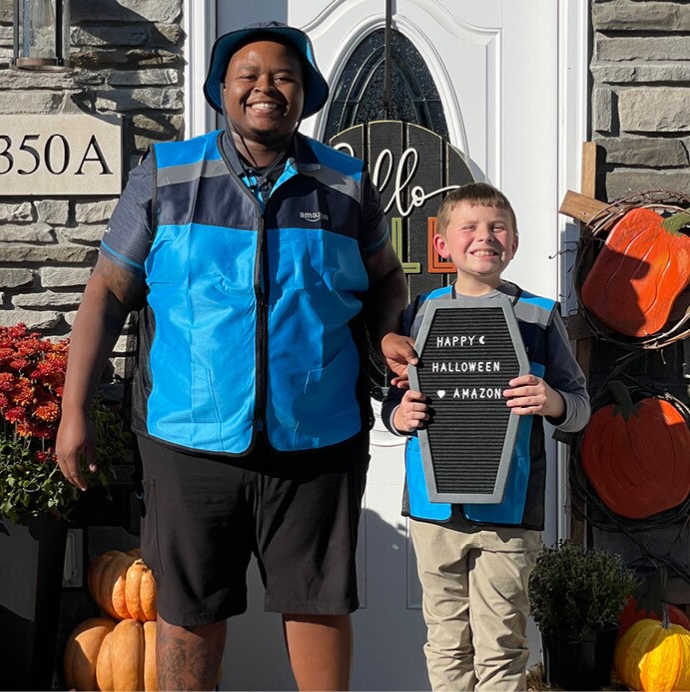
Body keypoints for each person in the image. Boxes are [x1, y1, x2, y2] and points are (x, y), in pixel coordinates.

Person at [56, 21, 411, 691]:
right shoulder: (166, 175)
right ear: (222, 90)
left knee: (319, 601)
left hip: (318, 439)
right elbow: (107, 290)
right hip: (188, 440)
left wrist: (390, 329)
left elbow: (386, 278)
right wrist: (74, 409)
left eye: (283, 76)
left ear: (304, 93)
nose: (265, 88)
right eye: (247, 75)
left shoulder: (345, 184)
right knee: (189, 610)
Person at [381, 183, 590, 691]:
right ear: (443, 245)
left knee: (501, 647)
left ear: (514, 243)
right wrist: (396, 417)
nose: (484, 237)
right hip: (433, 511)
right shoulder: (417, 315)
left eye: (497, 227)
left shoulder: (538, 316)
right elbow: (394, 397)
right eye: (469, 227)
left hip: (510, 516)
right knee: (446, 641)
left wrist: (553, 402)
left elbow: (580, 406)